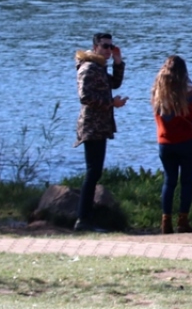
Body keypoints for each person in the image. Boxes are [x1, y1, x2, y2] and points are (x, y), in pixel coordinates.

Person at [73, 32, 127, 232]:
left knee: (95, 172)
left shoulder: (99, 66)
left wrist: (118, 61)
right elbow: (85, 97)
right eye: (105, 46)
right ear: (95, 47)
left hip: (100, 126)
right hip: (91, 126)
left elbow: (115, 83)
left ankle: (85, 218)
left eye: (110, 47)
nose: (108, 50)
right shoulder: (88, 67)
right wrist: (111, 103)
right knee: (92, 172)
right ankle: (82, 219)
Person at [151, 55, 192, 234]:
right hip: (185, 141)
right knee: (186, 181)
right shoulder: (187, 91)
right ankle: (183, 220)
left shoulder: (158, 90)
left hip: (164, 142)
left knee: (169, 181)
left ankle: (166, 221)